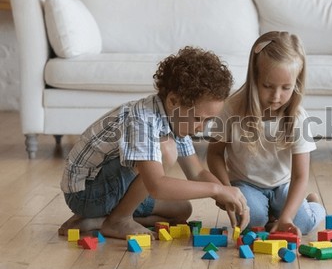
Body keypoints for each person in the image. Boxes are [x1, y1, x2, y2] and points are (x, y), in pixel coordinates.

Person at [58, 46, 249, 239]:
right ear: (174, 100)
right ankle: (118, 220)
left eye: (209, 120)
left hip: (113, 190)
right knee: (166, 149)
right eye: (199, 119)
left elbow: (197, 172)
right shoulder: (143, 118)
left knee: (182, 210)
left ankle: (98, 222)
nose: (202, 128)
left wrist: (226, 193)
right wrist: (216, 189)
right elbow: (157, 185)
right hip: (87, 193)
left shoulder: (176, 119)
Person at [207, 31, 325, 236]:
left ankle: (311, 204)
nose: (276, 96)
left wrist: (288, 218)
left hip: (283, 185)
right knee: (253, 222)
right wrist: (227, 190)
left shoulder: (298, 117)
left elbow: (300, 176)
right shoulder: (231, 109)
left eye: (286, 88)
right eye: (268, 86)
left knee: (304, 224)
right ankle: (271, 216)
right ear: (255, 78)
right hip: (245, 184)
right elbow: (214, 153)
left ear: (296, 84)